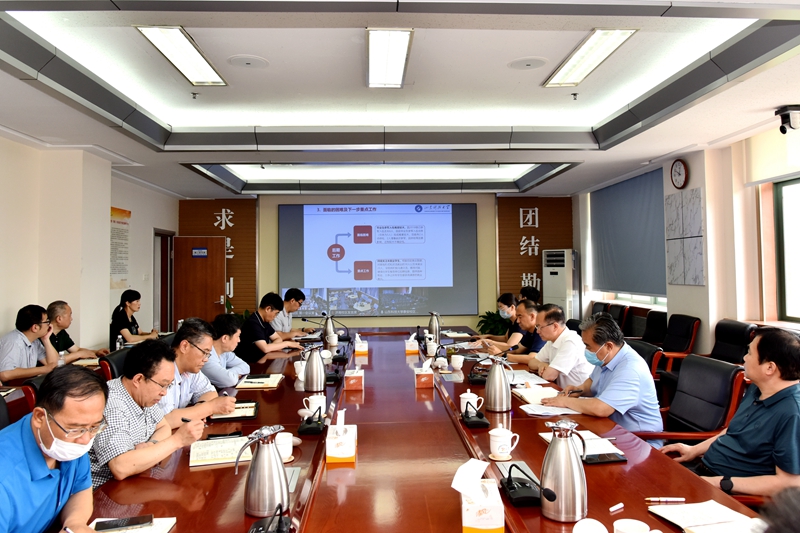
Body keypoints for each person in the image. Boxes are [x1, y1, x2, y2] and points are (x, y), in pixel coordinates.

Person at [661, 327, 800, 497]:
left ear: (770, 368)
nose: (744, 357)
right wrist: (694, 450)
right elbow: (733, 431)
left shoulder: (792, 413)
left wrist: (721, 482)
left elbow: (789, 483)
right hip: (704, 471)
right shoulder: (757, 388)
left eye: (749, 353)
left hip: (730, 492)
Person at [0, 365, 108, 533]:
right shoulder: (5, 477)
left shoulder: (70, 437)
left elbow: (80, 489)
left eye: (94, 426)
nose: (86, 439)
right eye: (75, 429)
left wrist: (75, 524)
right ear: (40, 417)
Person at [90, 339, 204, 489]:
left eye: (168, 386)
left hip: (137, 481)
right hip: (108, 492)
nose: (164, 393)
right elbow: (120, 467)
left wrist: (151, 445)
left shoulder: (143, 395)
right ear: (138, 379)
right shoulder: (113, 405)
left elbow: (164, 426)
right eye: (162, 385)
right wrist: (178, 440)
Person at [541, 313, 662, 433]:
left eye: (588, 346)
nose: (586, 350)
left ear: (608, 346)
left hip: (639, 437)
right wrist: (578, 390)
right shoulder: (607, 357)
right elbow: (591, 383)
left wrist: (565, 401)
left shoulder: (630, 369)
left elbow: (601, 408)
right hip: (609, 427)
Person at [157, 318, 236, 428]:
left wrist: (199, 411)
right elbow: (166, 420)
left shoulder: (191, 369)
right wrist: (208, 408)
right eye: (204, 352)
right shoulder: (160, 370)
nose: (206, 359)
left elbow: (209, 392)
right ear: (184, 346)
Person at [527, 303, 593, 388]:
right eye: (537, 327)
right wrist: (540, 364)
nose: (538, 331)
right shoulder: (552, 340)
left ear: (555, 326)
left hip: (578, 394)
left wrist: (545, 367)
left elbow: (549, 376)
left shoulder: (570, 342)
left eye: (540, 327)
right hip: (562, 391)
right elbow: (532, 362)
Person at [235, 293, 302, 364]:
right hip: (249, 363)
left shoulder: (264, 321)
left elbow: (278, 338)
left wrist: (271, 347)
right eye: (276, 313)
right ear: (268, 309)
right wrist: (287, 343)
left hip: (261, 360)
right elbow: (265, 348)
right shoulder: (253, 323)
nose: (275, 316)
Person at [0, 304, 58, 382]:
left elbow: (54, 364)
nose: (49, 325)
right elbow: (5, 374)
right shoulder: (13, 342)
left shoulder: (35, 341)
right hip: (11, 387)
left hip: (24, 384)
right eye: (47, 322)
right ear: (35, 327)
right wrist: (43, 369)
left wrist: (46, 339)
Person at [484, 299, 546, 364]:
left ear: (532, 316)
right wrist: (491, 345)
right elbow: (516, 349)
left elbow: (532, 358)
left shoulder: (540, 332)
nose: (517, 321)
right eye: (517, 317)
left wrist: (502, 355)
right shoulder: (530, 332)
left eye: (520, 317)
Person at [201, 313, 250, 388]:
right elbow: (230, 381)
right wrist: (231, 375)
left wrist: (228, 373)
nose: (239, 340)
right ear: (225, 338)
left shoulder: (225, 352)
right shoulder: (206, 357)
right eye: (237, 336)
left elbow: (246, 367)